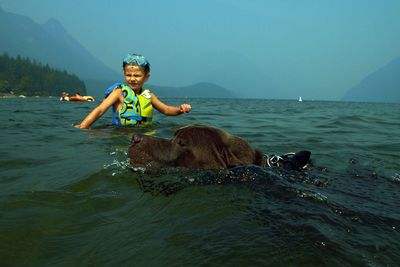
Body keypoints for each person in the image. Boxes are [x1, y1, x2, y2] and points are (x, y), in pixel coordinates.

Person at [76, 53, 191, 129]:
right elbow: (100, 110)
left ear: (146, 77)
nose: (132, 79)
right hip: (120, 133)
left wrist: (180, 110)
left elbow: (166, 110)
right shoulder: (119, 92)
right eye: (128, 75)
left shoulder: (149, 95)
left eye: (137, 75)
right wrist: (83, 127)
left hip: (143, 136)